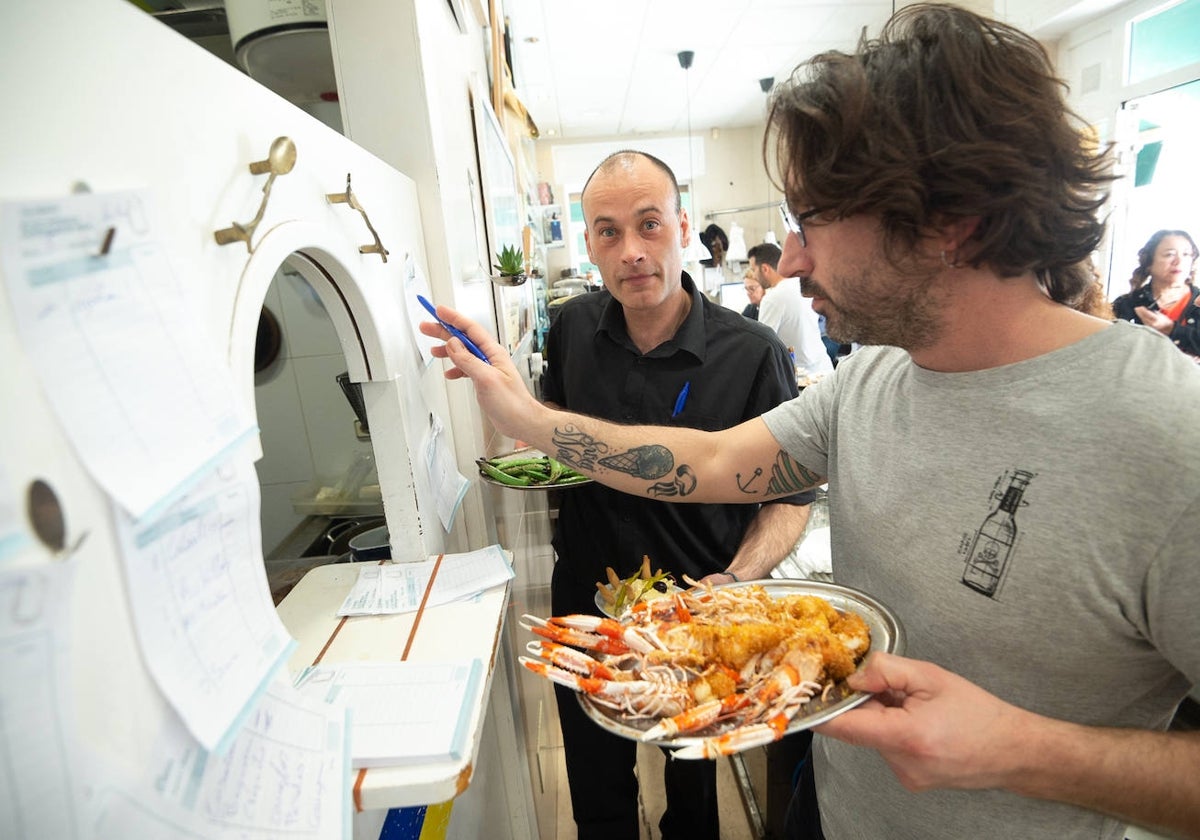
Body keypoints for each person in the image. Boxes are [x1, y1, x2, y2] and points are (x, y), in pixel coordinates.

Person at [422, 6, 1200, 840]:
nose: (787, 260)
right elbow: (710, 460)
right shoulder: (869, 381)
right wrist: (525, 414)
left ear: (951, 222)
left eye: (812, 222)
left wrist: (1020, 750)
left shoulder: (1166, 437)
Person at [521, 149, 815, 840]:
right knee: (596, 786)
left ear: (683, 227)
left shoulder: (753, 354)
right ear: (589, 241)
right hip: (590, 601)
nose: (632, 252)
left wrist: (737, 579)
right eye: (608, 231)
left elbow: (792, 496)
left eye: (650, 225)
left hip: (700, 604)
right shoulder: (570, 333)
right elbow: (561, 444)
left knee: (692, 783)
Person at [748, 241, 834, 377]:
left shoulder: (772, 298)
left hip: (801, 376)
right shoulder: (801, 284)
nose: (753, 275)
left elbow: (762, 344)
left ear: (765, 269)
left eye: (753, 269)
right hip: (824, 368)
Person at [1111, 229, 1199, 359]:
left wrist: (1171, 329)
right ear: (1149, 263)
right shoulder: (1126, 304)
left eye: (1186, 254)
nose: (1179, 261)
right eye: (1169, 254)